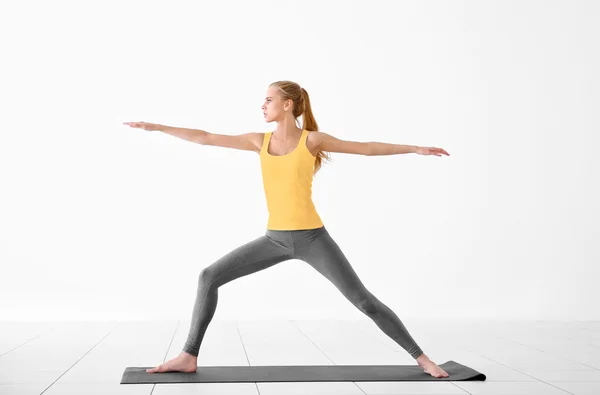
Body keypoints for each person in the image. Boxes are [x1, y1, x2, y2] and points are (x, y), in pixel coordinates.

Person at [123, 80, 450, 378]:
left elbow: (365, 147)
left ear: (288, 104)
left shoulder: (312, 140)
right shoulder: (258, 141)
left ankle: (422, 358)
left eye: (268, 100)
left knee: (364, 301)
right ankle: (188, 356)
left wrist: (414, 148)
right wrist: (157, 127)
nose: (262, 106)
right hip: (274, 240)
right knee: (209, 276)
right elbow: (206, 138)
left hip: (313, 239)